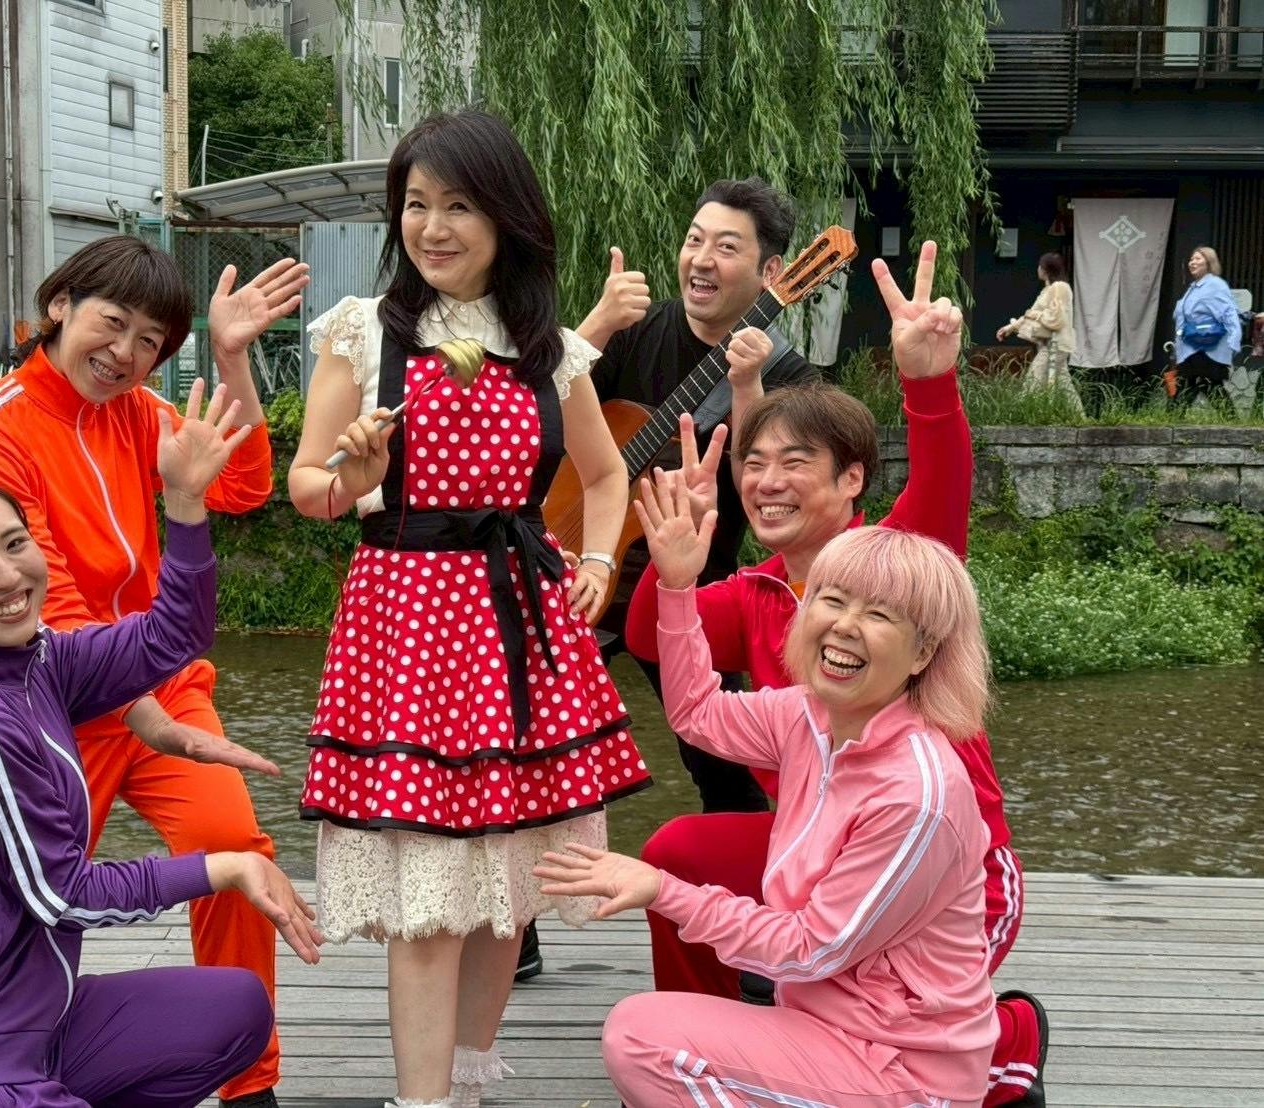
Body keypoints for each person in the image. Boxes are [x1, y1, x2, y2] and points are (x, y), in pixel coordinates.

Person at [0, 237, 307, 1108]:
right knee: (5, 891)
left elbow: (240, 488)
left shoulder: (142, 411)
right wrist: (146, 714)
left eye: (151, 341)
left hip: (149, 679)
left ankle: (249, 1085)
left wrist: (232, 358)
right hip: (53, 703)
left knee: (231, 841)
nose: (125, 353)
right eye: (112, 323)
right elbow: (40, 609)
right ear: (60, 306)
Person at [623, 242, 1046, 1107]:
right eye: (753, 464)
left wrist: (928, 382)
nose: (767, 483)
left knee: (877, 988)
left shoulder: (897, 563)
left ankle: (1002, 1045)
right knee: (678, 855)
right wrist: (670, 566)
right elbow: (653, 649)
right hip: (820, 850)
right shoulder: (751, 593)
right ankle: (726, 1047)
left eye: (794, 464)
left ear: (851, 479)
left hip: (944, 863)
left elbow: (943, 480)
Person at [287, 109, 652, 1108]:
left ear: (506, 221)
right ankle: (422, 1101)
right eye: (415, 205)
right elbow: (307, 488)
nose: (432, 227)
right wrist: (351, 473)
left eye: (457, 206)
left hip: (518, 621)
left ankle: (469, 1081)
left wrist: (597, 560)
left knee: (507, 880)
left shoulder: (551, 352)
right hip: (405, 619)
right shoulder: (363, 331)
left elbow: (605, 474)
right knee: (428, 897)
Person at [537, 522, 998, 1108]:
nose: (845, 625)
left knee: (642, 1038)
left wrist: (662, 890)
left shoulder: (916, 795)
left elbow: (812, 949)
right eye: (832, 599)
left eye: (879, 615)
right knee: (644, 1033)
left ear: (923, 653)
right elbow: (698, 714)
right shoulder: (809, 717)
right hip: (822, 1027)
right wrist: (677, 587)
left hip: (904, 1070)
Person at [578, 177, 817, 819]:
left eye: (726, 247)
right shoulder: (633, 331)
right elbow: (536, 416)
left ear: (772, 273)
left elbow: (770, 502)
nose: (702, 259)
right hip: (581, 568)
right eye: (694, 240)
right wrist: (596, 326)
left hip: (688, 590)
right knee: (529, 747)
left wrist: (748, 389)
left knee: (730, 775)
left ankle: (761, 878)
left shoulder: (789, 377)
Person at [998, 251, 1082, 415]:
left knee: (1034, 378)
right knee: (1064, 385)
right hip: (1050, 343)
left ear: (1045, 269)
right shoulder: (1048, 290)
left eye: (1040, 266)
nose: (1038, 269)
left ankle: (1022, 415)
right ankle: (1080, 418)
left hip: (1055, 344)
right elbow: (1030, 313)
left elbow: (1056, 318)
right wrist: (1010, 328)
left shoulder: (1060, 288)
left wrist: (1035, 315)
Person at [1170, 245, 1243, 408]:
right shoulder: (1193, 288)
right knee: (1200, 386)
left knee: (1198, 385)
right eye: (1191, 259)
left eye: (1197, 258)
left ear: (1209, 263)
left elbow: (1229, 314)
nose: (1192, 262)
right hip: (1191, 348)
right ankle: (1229, 420)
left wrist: (1233, 342)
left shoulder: (1214, 285)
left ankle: (1171, 417)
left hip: (1207, 348)